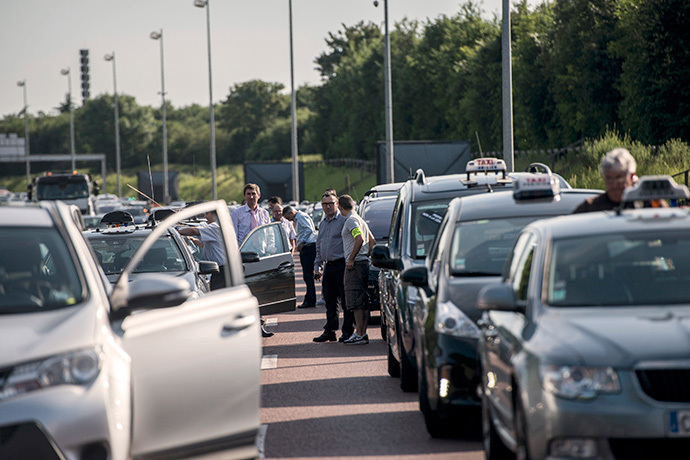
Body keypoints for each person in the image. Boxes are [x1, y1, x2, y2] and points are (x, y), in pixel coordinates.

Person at [311, 191, 355, 343]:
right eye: (325, 204)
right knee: (329, 300)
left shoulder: (344, 220)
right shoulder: (322, 224)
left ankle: (348, 331)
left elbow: (357, 239)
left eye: (331, 203)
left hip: (343, 264)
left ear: (337, 204)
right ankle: (330, 330)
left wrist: (351, 259)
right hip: (328, 266)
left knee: (346, 300)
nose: (328, 206)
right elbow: (319, 245)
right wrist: (317, 266)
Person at [573, 147, 666, 213]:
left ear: (632, 176)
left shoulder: (649, 204)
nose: (614, 184)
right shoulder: (591, 208)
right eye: (609, 178)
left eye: (619, 177)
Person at [338, 194, 376, 345]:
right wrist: (366, 256)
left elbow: (359, 238)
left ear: (340, 207)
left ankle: (359, 332)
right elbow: (372, 242)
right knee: (363, 299)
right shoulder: (360, 219)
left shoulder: (351, 221)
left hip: (355, 265)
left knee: (355, 299)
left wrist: (352, 258)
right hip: (363, 263)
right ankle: (362, 332)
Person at [283, 205, 318, 308]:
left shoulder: (301, 217)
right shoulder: (299, 218)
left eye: (287, 217)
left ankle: (310, 300)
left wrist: (301, 242)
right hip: (307, 247)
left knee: (307, 275)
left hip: (308, 247)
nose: (288, 220)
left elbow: (309, 230)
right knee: (307, 276)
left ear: (291, 213)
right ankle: (309, 298)